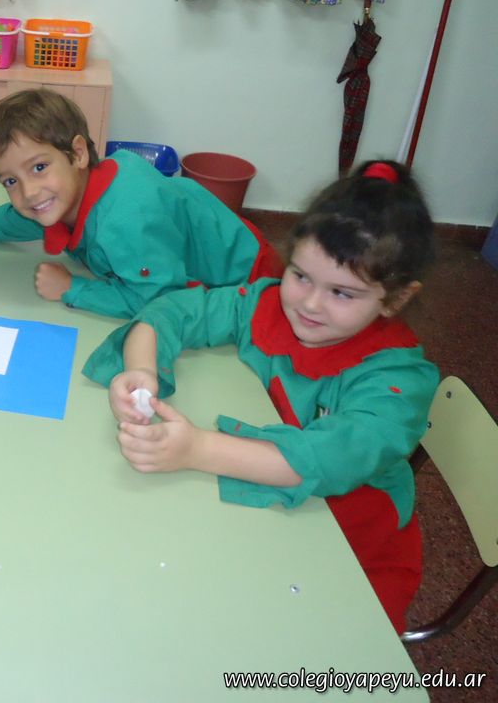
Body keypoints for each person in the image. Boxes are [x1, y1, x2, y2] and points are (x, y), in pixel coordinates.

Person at [84, 160, 438, 633]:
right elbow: (173, 311)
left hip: (350, 553)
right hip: (262, 522)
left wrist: (196, 449)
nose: (310, 303)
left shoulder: (399, 381)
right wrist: (142, 370)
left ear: (395, 299)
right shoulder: (265, 304)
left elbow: (326, 459)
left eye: (342, 293)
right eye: (300, 275)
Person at [0, 88, 283, 318]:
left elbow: (160, 300)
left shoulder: (127, 220)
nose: (29, 192)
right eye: (10, 181)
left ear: (78, 153)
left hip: (247, 285)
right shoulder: (61, 195)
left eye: (39, 167)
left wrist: (72, 288)